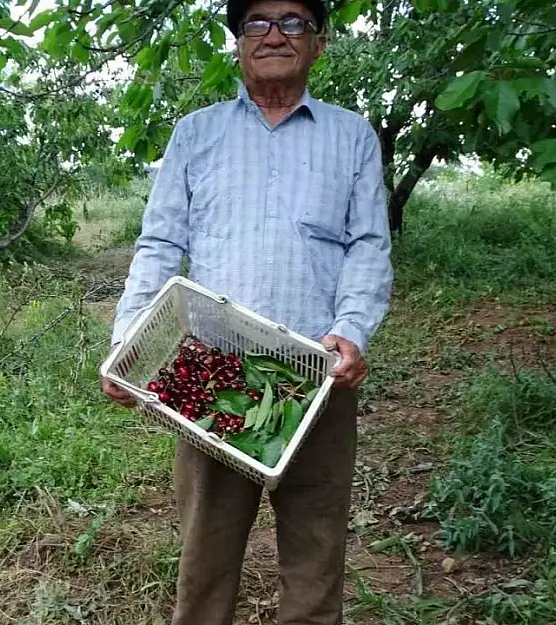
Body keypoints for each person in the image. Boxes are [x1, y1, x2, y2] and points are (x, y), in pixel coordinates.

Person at [102, 0, 394, 622]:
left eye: (294, 22)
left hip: (318, 376)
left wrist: (351, 330)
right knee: (205, 554)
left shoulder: (351, 137)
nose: (275, 35)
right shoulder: (197, 134)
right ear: (237, 42)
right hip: (212, 372)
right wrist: (126, 340)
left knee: (316, 553)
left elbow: (369, 244)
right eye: (257, 22)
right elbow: (160, 243)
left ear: (320, 43)